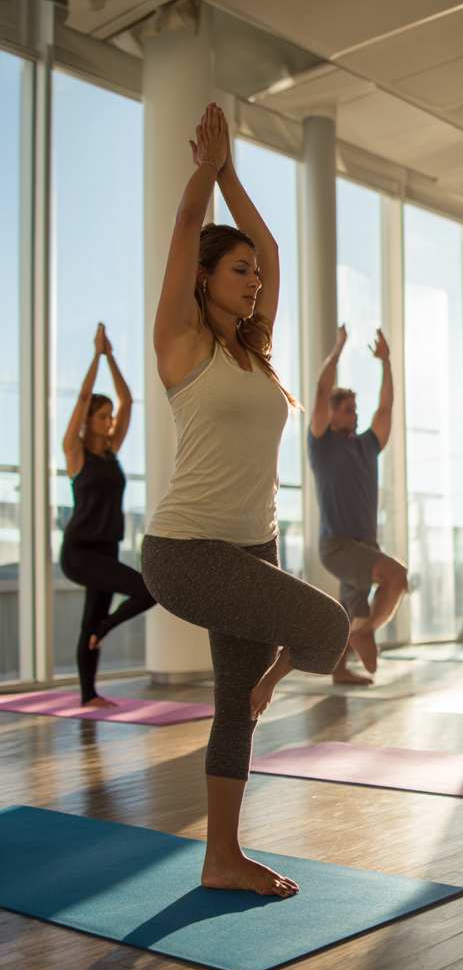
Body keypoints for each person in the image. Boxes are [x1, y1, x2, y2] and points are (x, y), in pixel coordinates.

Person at [140, 103, 348, 897]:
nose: (256, 279)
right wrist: (206, 169)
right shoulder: (183, 345)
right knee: (325, 625)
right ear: (203, 276)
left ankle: (221, 857)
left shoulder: (254, 356)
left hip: (252, 546)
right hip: (187, 552)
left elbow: (274, 253)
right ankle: (263, 685)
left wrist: (235, 174)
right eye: (238, 269)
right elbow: (186, 225)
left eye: (256, 274)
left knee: (233, 709)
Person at [60, 323, 156, 707]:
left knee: (91, 620)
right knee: (147, 590)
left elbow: (129, 401)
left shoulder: (111, 451)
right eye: (102, 416)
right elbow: (83, 397)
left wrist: (113, 357)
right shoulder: (75, 452)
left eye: (109, 416)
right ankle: (104, 628)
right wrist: (96, 356)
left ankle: (88, 695)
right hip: (80, 551)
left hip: (108, 548)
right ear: (88, 421)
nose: (109, 420)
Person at [308, 326, 408, 682]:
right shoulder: (321, 444)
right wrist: (337, 349)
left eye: (354, 409)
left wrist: (387, 363)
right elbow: (321, 391)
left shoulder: (367, 446)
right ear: (332, 415)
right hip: (338, 546)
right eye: (348, 409)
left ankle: (339, 669)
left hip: (365, 544)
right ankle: (366, 633)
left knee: (347, 614)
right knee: (397, 577)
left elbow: (386, 407)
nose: (355, 414)